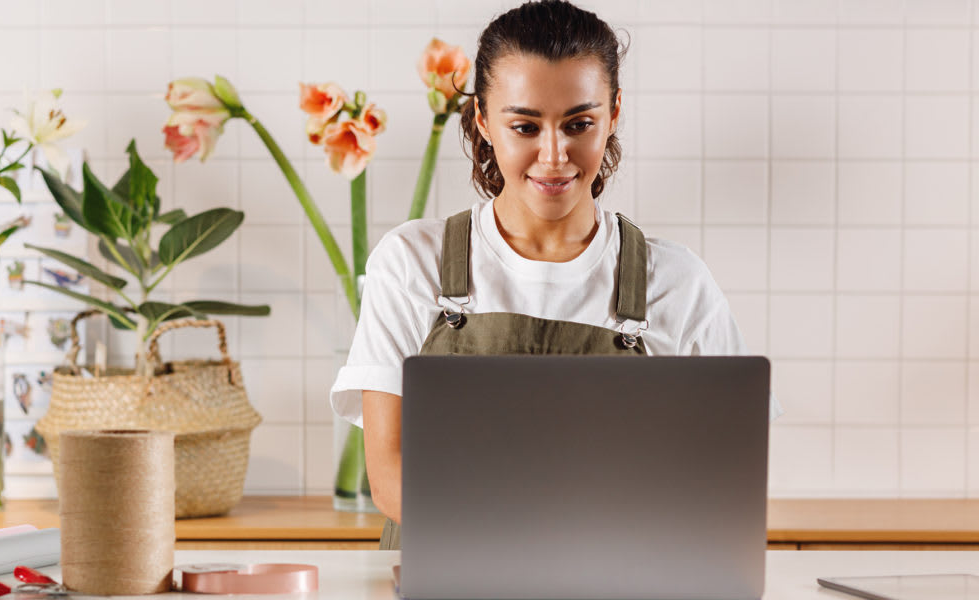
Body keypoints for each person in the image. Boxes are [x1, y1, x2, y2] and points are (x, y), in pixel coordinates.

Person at [328, 0, 782, 551]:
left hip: (619, 580)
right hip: (448, 575)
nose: (554, 156)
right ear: (482, 120)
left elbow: (723, 477)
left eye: (579, 124)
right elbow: (391, 474)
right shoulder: (411, 262)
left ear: (614, 113)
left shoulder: (678, 281)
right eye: (524, 125)